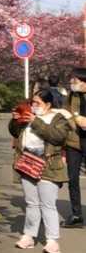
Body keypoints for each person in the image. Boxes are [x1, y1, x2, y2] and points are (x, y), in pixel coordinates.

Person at [9, 86, 70, 253]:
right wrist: (15, 120)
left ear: (48, 104)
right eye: (32, 102)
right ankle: (28, 236)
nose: (33, 106)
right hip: (27, 163)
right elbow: (15, 132)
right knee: (31, 203)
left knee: (47, 204)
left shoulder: (58, 118)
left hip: (48, 165)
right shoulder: (28, 116)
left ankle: (52, 240)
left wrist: (35, 121)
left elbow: (57, 137)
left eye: (37, 103)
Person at [55, 69, 86, 227]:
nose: (72, 84)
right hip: (73, 143)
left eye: (75, 81)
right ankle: (76, 214)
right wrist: (73, 120)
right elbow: (65, 114)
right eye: (71, 81)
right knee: (72, 179)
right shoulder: (71, 96)